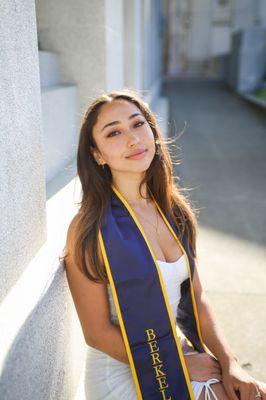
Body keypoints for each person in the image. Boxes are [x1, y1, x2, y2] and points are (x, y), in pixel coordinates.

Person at [62, 89, 266, 400]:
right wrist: (180, 363)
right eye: (114, 132)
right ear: (97, 154)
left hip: (173, 349)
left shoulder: (175, 212)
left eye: (138, 124)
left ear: (153, 133)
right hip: (123, 368)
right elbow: (97, 332)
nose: (133, 139)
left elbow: (196, 298)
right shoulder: (89, 228)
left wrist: (230, 364)